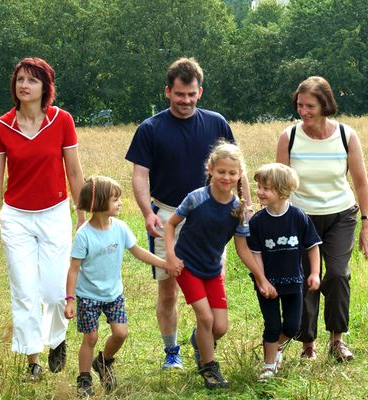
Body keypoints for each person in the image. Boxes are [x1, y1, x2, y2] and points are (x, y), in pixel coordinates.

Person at [125, 57, 252, 369]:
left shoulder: (217, 123)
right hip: (168, 216)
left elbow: (237, 168)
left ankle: (202, 342)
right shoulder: (150, 129)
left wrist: (245, 204)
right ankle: (172, 353)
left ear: (200, 92)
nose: (185, 101)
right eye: (179, 94)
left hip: (212, 218)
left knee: (209, 288)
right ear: (168, 91)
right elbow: (140, 175)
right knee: (168, 291)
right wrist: (147, 213)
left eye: (191, 94)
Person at [0, 57, 85, 381]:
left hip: (55, 214)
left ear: (45, 87)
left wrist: (82, 216)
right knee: (25, 291)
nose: (24, 85)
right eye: (20, 79)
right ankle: (33, 362)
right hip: (16, 219)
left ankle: (56, 339)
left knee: (56, 292)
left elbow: (74, 171)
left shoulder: (62, 121)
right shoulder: (1, 127)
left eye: (31, 80)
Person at [276, 76, 368, 362]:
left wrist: (366, 223)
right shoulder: (289, 137)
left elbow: (361, 182)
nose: (303, 112)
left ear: (325, 105)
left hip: (340, 216)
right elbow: (281, 185)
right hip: (301, 218)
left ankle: (337, 340)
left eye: (309, 106)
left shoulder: (346, 135)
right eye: (299, 105)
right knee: (308, 279)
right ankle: (308, 345)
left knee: (338, 274)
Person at [164, 142, 273, 389]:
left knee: (220, 327)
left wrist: (261, 277)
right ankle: (209, 368)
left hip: (212, 270)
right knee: (205, 317)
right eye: (221, 171)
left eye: (232, 173)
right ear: (210, 169)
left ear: (239, 175)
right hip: (187, 265)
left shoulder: (239, 210)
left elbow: (242, 248)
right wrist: (171, 257)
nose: (226, 177)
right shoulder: (196, 198)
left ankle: (199, 340)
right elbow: (170, 225)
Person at [64, 176, 176, 397]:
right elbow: (74, 268)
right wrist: (69, 299)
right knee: (91, 338)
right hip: (88, 296)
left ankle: (104, 362)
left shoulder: (121, 228)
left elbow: (138, 252)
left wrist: (165, 264)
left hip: (113, 294)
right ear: (98, 203)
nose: (120, 203)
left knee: (121, 333)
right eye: (115, 199)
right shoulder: (84, 235)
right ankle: (84, 378)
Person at [246, 163, 322, 380]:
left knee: (292, 326)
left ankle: (275, 347)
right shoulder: (258, 222)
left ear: (282, 192)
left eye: (265, 188)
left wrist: (315, 273)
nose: (259, 192)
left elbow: (312, 246)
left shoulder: (298, 217)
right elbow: (256, 253)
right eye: (258, 186)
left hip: (294, 284)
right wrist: (262, 281)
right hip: (267, 285)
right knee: (272, 325)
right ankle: (269, 366)